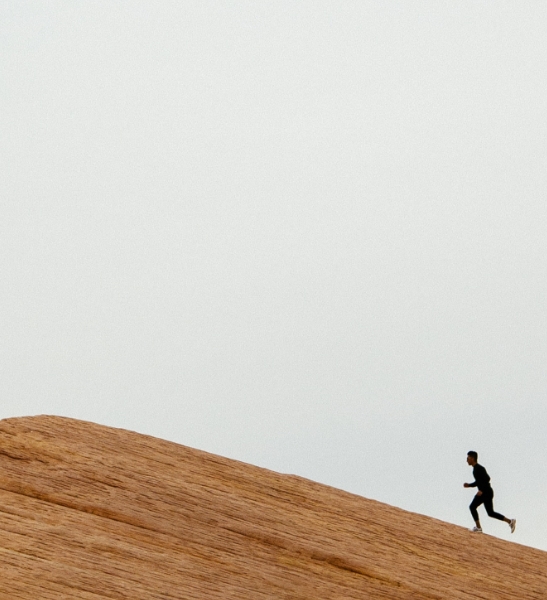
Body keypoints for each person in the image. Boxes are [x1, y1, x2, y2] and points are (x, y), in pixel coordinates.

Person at [463, 451, 516, 534]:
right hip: (487, 492)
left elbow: (487, 479)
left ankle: (478, 528)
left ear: (472, 458)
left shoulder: (479, 468)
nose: (466, 460)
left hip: (486, 492)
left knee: (472, 507)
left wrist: (481, 490)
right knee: (490, 513)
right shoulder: (475, 469)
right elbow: (478, 482)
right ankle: (510, 521)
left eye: (468, 458)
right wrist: (469, 485)